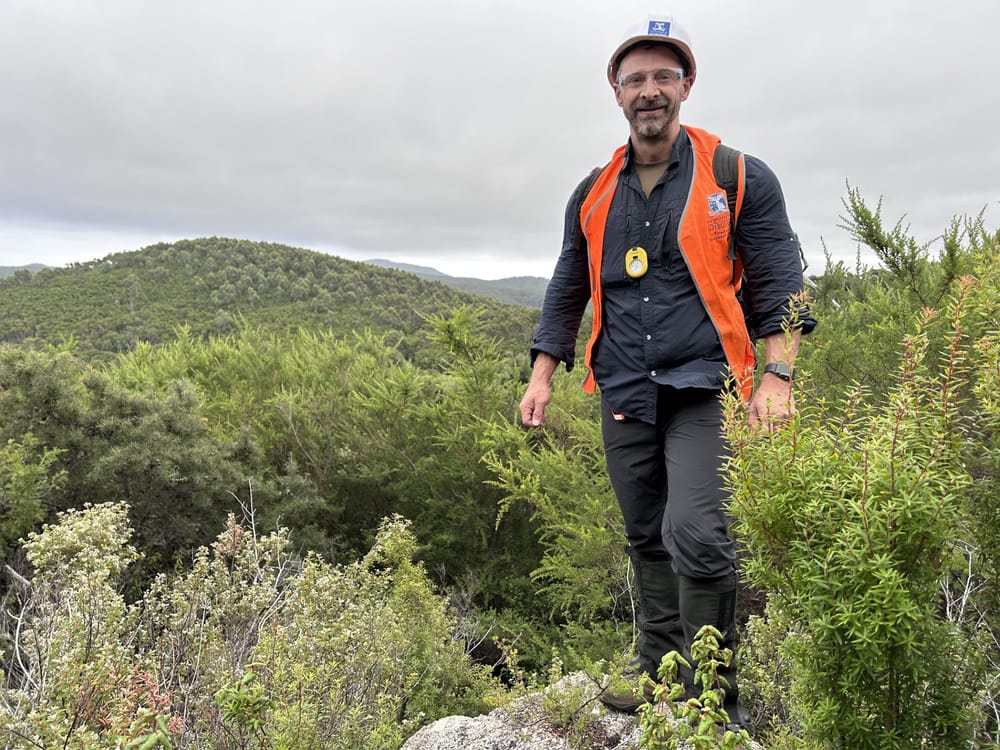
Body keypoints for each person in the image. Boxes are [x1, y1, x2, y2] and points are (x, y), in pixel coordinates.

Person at [519, 13, 816, 720]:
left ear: (686, 85)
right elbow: (569, 287)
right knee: (645, 532)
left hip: (707, 386)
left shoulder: (736, 175)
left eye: (662, 77)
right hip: (623, 386)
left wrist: (778, 377)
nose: (649, 91)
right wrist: (539, 374)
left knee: (699, 530)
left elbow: (781, 281)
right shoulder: (593, 191)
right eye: (636, 80)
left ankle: (713, 696)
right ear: (616, 93)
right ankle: (659, 680)